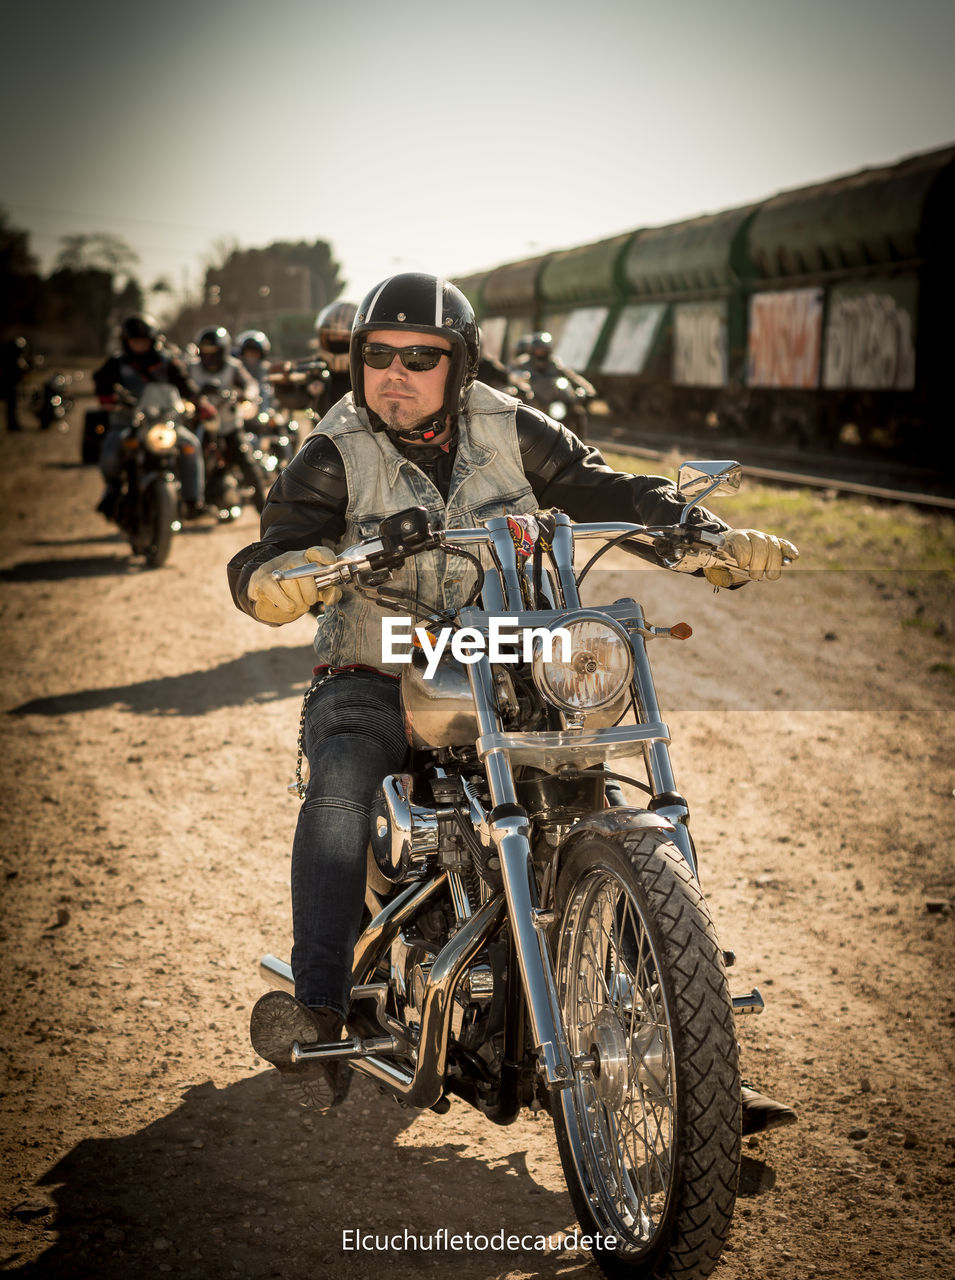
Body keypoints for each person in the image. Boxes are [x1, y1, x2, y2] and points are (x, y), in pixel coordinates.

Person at [227, 272, 798, 1130]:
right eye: (377, 356)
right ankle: (320, 1001)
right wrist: (275, 578)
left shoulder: (507, 423)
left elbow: (599, 487)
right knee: (342, 784)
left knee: (594, 799)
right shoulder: (332, 449)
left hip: (506, 656)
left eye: (421, 357)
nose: (395, 373)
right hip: (379, 660)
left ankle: (694, 1047)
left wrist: (700, 538)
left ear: (460, 364)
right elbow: (274, 546)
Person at [93, 314, 206, 519]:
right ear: (126, 342)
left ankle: (193, 500)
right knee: (112, 447)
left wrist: (200, 403)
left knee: (191, 444)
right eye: (135, 341)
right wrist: (107, 399)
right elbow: (101, 383)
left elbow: (187, 386)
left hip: (165, 423)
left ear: (153, 340)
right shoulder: (117, 364)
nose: (139, 345)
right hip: (128, 422)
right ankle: (113, 488)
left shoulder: (167, 363)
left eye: (143, 341)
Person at [187, 326, 265, 512]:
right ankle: (190, 503)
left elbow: (251, 385)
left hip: (228, 425)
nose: (209, 358)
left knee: (246, 460)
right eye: (205, 353)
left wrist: (247, 395)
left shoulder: (233, 366)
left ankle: (263, 506)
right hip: (201, 425)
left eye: (214, 353)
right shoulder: (191, 368)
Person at [1, 335, 33, 432]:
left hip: (12, 385)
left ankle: (13, 424)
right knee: (12, 407)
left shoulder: (12, 358)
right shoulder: (14, 359)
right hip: (11, 385)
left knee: (12, 407)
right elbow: (21, 370)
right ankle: (12, 425)